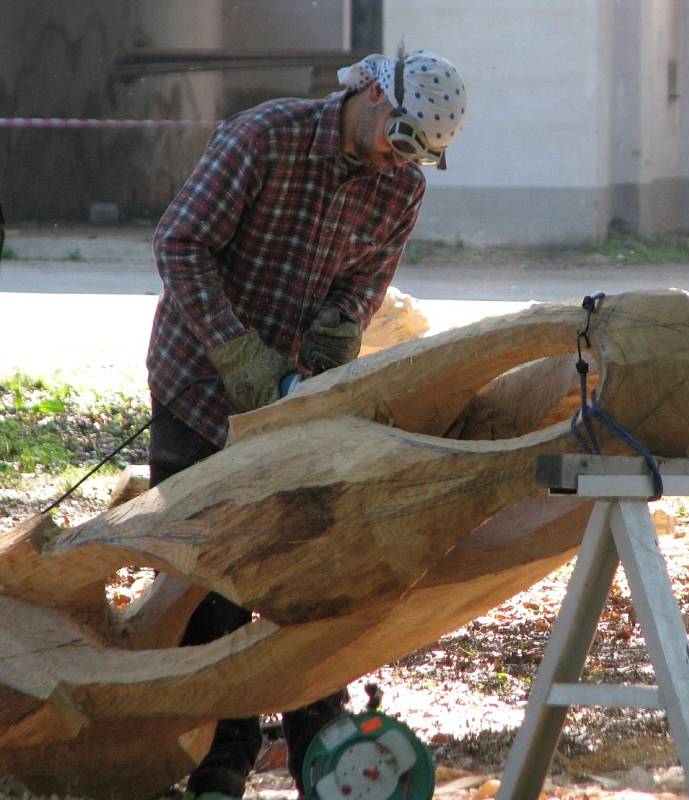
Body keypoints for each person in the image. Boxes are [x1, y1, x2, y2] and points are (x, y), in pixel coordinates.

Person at [146, 43, 467, 800]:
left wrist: (332, 340)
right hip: (199, 385)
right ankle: (219, 759)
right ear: (372, 99)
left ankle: (321, 749)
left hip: (296, 405)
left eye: (416, 156)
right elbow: (180, 244)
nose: (400, 164)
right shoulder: (264, 138)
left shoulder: (399, 191)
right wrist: (236, 354)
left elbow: (362, 283)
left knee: (309, 570)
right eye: (400, 142)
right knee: (209, 577)